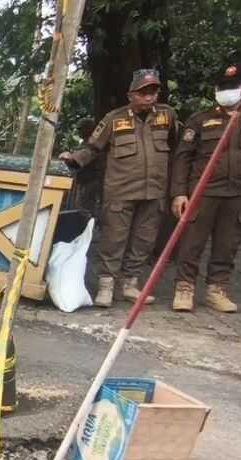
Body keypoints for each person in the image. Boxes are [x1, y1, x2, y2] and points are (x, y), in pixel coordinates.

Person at [59, 69, 178, 308]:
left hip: (154, 190)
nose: (149, 96)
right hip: (120, 190)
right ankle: (106, 285)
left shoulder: (167, 116)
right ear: (130, 95)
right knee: (113, 238)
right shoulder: (114, 119)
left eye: (153, 91)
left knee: (144, 240)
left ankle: (130, 285)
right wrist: (74, 159)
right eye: (143, 92)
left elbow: (176, 147)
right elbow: (93, 147)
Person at [170, 63, 241, 313]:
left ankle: (216, 289)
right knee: (191, 243)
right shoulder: (200, 119)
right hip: (202, 192)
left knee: (227, 245)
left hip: (240, 191)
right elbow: (182, 158)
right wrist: (179, 192)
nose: (226, 90)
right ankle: (184, 288)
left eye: (233, 86)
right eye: (222, 86)